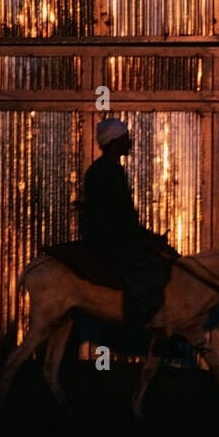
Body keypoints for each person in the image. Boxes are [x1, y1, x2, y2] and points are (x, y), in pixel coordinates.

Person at [79, 118, 172, 331]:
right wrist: (139, 236)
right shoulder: (105, 172)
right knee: (153, 269)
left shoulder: (108, 170)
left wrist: (144, 234)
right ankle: (139, 316)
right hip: (110, 241)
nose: (129, 142)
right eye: (124, 139)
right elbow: (111, 217)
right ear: (113, 142)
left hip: (117, 236)